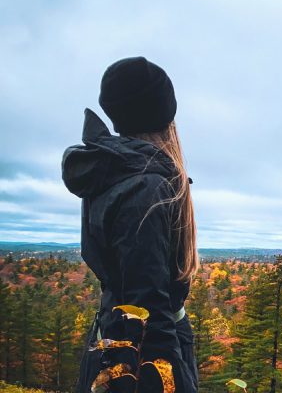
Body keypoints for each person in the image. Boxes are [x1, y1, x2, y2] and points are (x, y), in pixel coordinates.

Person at [61, 56, 200, 392]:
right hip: (139, 355)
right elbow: (147, 312)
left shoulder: (114, 172)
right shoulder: (146, 188)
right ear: (165, 114)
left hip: (113, 338)